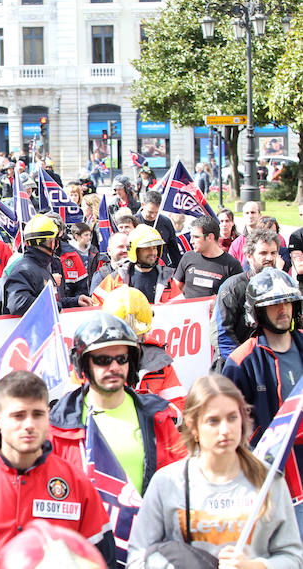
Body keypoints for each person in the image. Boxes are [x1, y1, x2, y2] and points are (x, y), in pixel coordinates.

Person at [0, 371, 117, 567]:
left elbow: (102, 559)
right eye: (18, 416)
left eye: (37, 414)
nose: (29, 425)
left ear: (48, 415)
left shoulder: (76, 482)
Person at [126, 375, 303, 568]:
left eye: (232, 418)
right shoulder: (168, 482)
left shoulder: (267, 479)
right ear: (193, 426)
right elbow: (137, 557)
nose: (225, 430)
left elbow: (293, 557)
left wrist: (256, 566)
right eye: (213, 421)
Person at [49, 312, 185, 497]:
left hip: (147, 523)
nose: (114, 367)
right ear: (84, 365)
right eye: (103, 360)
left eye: (121, 359)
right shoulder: (59, 424)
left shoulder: (158, 416)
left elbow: (183, 483)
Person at [222, 267, 303, 530]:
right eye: (274, 305)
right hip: (271, 474)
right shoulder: (241, 361)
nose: (283, 310)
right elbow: (230, 426)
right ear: (257, 312)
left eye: (287, 302)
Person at [102, 286, 187, 409]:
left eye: (135, 337)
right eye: (121, 338)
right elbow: (72, 414)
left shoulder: (159, 362)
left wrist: (155, 410)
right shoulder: (91, 363)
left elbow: (180, 407)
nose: (128, 345)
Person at [211, 228, 280, 363]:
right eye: (263, 253)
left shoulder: (281, 285)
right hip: (236, 364)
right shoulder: (232, 287)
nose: (269, 258)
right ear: (249, 256)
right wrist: (246, 364)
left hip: (272, 363)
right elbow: (221, 334)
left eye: (273, 253)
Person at [3, 214, 77, 315]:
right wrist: (55, 307)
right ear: (51, 242)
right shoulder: (24, 269)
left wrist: (75, 301)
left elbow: (44, 299)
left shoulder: (39, 266)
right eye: (56, 240)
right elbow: (18, 303)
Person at [92, 224, 179, 305]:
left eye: (155, 248)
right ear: (134, 250)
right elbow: (96, 305)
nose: (152, 252)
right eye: (147, 248)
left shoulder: (167, 279)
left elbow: (180, 308)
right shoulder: (117, 278)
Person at [172, 215, 243, 299]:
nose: (191, 241)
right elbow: (175, 290)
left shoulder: (232, 265)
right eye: (191, 237)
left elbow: (239, 297)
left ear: (210, 237)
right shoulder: (188, 257)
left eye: (196, 237)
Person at [135, 190, 182, 267]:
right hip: (139, 267)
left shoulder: (166, 222)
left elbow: (174, 250)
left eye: (156, 212)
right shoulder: (134, 222)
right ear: (143, 205)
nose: (153, 216)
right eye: (150, 212)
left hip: (161, 267)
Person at [228, 201, 262, 266]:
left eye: (253, 212)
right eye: (247, 213)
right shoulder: (236, 244)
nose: (250, 216)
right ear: (243, 215)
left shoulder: (269, 239)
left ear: (259, 215)